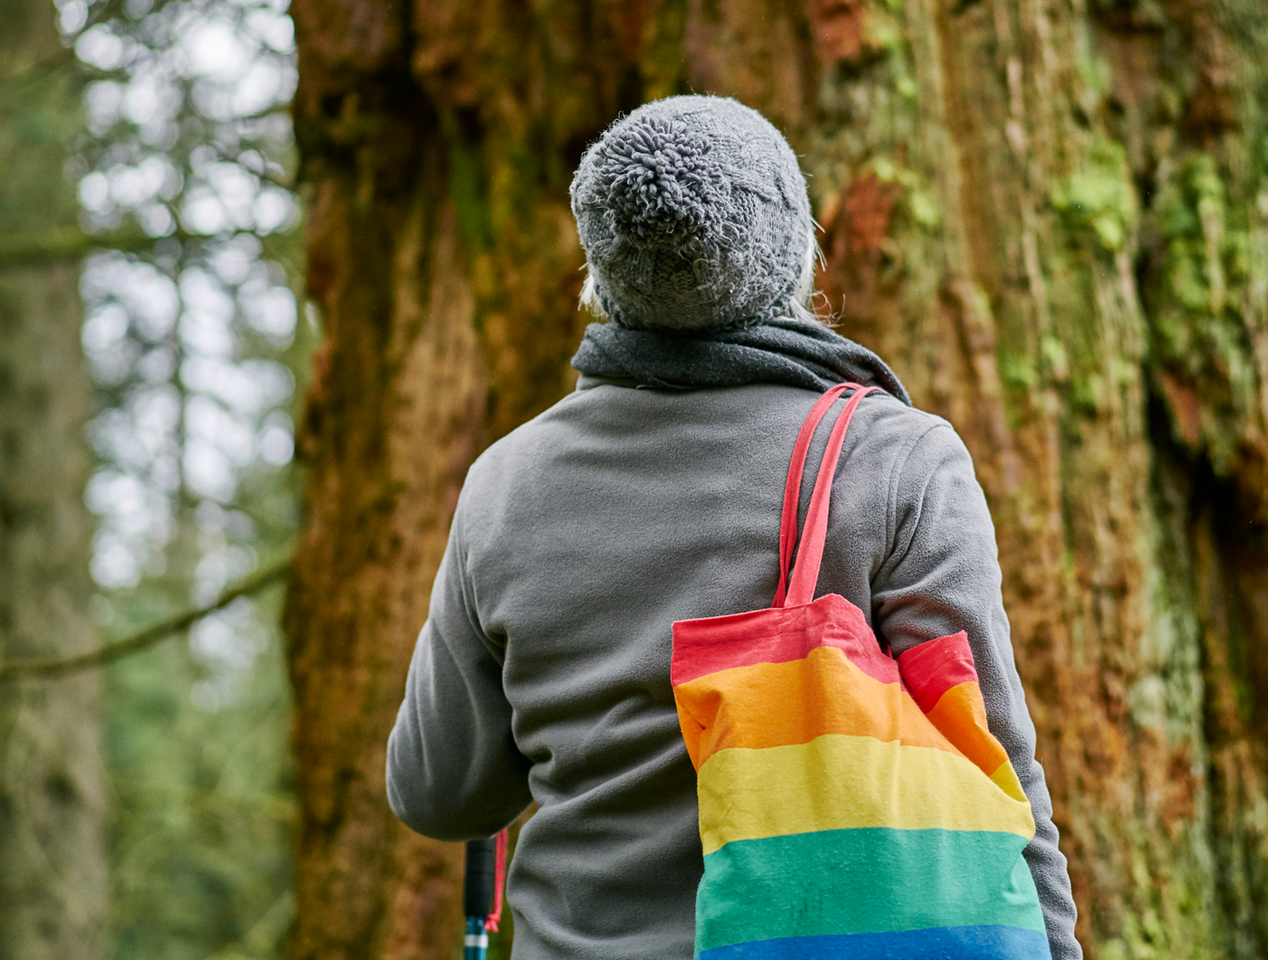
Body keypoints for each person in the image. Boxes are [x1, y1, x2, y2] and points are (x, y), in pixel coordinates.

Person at [387, 94, 1083, 960]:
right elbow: (996, 768)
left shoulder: (505, 483)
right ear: (794, 250)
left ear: (601, 269)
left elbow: (439, 793)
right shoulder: (897, 458)